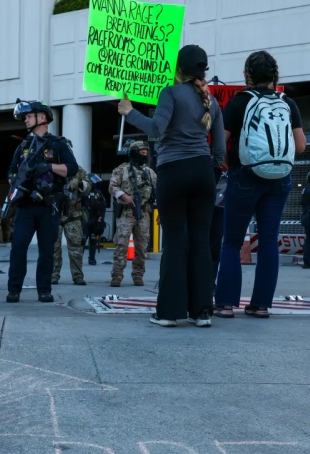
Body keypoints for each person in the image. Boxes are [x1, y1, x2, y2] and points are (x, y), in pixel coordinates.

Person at [119, 44, 225, 327]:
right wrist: (210, 173)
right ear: (202, 71)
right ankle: (202, 312)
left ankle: (168, 312)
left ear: (178, 69)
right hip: (203, 172)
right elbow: (220, 149)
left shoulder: (170, 93)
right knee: (201, 243)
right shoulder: (210, 101)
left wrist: (129, 112)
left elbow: (156, 129)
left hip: (174, 171)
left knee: (176, 241)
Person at [214, 50, 306, 319]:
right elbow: (300, 145)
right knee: (268, 241)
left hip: (244, 176)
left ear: (247, 76)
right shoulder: (288, 103)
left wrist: (228, 165)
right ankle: (261, 305)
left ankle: (226, 304)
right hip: (279, 180)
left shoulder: (239, 102)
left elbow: (221, 144)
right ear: (275, 76)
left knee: (231, 241)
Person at [4, 99, 78, 303]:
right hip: (25, 205)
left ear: (42, 117)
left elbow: (72, 168)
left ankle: (44, 289)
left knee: (47, 250)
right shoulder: (24, 145)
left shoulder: (58, 143)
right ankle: (14, 290)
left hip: (48, 205)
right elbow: (11, 171)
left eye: (29, 116)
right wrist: (15, 181)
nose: (25, 120)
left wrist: (49, 168)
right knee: (18, 247)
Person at [108, 141, 155, 288]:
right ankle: (116, 276)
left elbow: (157, 191)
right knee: (121, 245)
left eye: (146, 152)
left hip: (144, 213)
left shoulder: (150, 172)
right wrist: (124, 197)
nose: (145, 155)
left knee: (141, 247)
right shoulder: (122, 170)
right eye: (142, 152)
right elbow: (112, 186)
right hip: (126, 213)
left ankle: (138, 276)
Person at [52, 166, 91, 286]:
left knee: (76, 247)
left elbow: (88, 187)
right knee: (53, 247)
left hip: (73, 214)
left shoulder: (77, 169)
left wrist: (79, 183)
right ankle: (53, 274)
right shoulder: (51, 167)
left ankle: (77, 275)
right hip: (54, 213)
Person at [83, 184, 107, 266]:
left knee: (93, 240)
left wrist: (101, 217)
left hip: (95, 220)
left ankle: (92, 258)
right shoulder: (83, 192)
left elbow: (103, 206)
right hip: (85, 220)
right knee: (83, 240)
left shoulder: (98, 193)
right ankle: (78, 259)